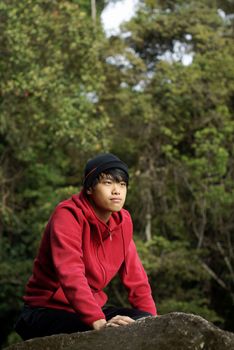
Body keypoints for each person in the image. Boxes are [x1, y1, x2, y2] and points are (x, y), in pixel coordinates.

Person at [15, 153, 157, 340]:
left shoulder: (123, 222)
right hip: (46, 310)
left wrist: (154, 323)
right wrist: (97, 321)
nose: (117, 191)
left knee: (142, 320)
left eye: (122, 184)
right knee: (112, 333)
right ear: (89, 188)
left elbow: (136, 278)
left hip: (90, 310)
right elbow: (70, 271)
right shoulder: (67, 215)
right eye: (108, 183)